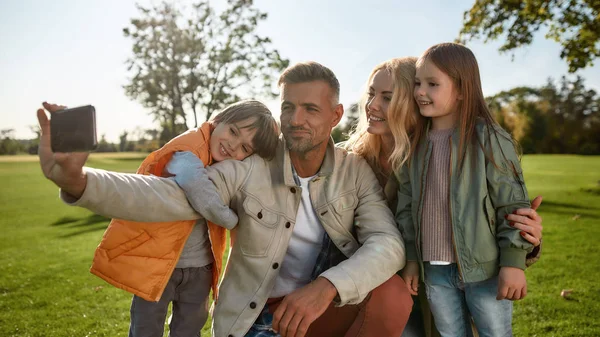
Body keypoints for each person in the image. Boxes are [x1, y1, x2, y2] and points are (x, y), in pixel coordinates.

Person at [37, 61, 413, 337]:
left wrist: (327, 287)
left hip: (317, 308)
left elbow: (388, 243)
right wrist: (78, 181)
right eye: (287, 107)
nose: (295, 119)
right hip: (254, 316)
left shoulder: (353, 171)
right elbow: (168, 196)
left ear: (334, 115)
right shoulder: (250, 165)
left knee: (392, 295)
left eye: (310, 109)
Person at [344, 56, 544, 337]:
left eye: (388, 97)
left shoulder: (453, 149)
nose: (372, 105)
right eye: (371, 94)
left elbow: (496, 209)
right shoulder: (351, 164)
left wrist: (525, 246)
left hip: (435, 286)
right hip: (374, 291)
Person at [85, 100, 279, 337]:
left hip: (200, 267)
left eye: (245, 148)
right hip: (159, 262)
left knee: (189, 329)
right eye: (233, 131)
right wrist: (230, 219)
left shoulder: (227, 169)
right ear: (218, 121)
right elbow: (194, 183)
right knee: (146, 327)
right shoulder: (187, 149)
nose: (233, 145)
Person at [396, 42, 537, 337]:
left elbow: (511, 207)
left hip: (486, 271)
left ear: (462, 89)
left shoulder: (489, 138)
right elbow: (407, 209)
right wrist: (411, 259)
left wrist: (514, 263)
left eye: (433, 84)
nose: (420, 91)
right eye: (418, 83)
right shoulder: (415, 145)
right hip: (434, 271)